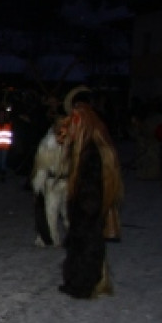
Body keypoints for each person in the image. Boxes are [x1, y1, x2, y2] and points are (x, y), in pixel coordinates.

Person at [57, 87, 123, 299]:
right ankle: (78, 281)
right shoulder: (90, 139)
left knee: (87, 243)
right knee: (81, 242)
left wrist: (86, 207)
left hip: (89, 204)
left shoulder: (91, 147)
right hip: (86, 202)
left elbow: (93, 183)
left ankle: (83, 284)